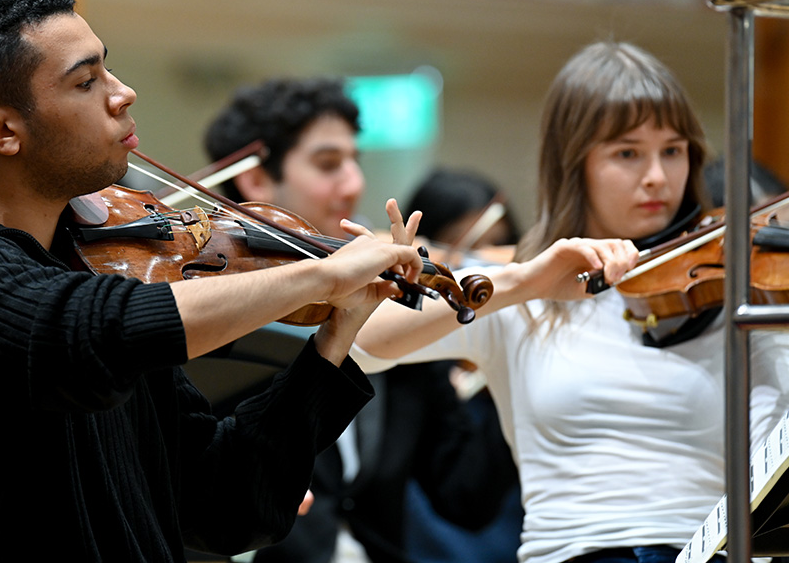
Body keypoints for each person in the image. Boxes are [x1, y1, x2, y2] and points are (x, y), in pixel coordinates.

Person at [0, 0, 428, 562]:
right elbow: (93, 335)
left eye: (109, 70)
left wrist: (334, 339)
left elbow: (223, 506)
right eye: (86, 82)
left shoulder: (94, 273)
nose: (123, 93)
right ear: (0, 130)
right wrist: (320, 276)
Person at [350, 41, 789, 563]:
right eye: (628, 153)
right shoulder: (518, 288)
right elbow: (363, 344)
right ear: (573, 164)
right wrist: (523, 283)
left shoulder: (732, 283)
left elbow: (772, 455)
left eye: (672, 150)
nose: (657, 176)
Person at [203, 78, 519, 563]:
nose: (355, 184)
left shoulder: (392, 303)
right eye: (329, 165)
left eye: (356, 162)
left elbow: (465, 498)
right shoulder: (207, 306)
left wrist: (511, 352)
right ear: (256, 180)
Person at [401, 168, 524, 563]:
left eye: (497, 247)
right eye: (460, 249)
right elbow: (462, 496)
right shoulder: (410, 362)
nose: (480, 267)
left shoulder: (519, 337)